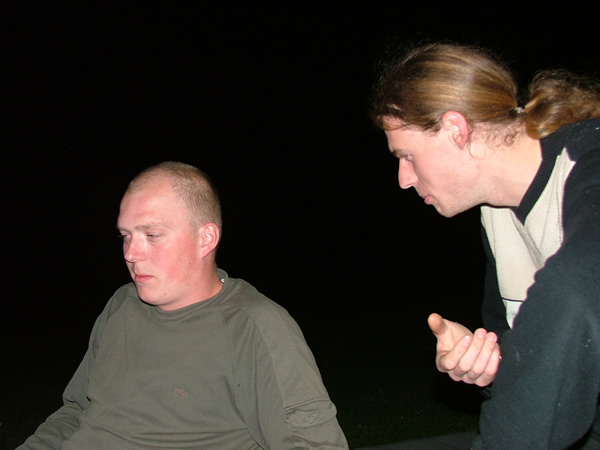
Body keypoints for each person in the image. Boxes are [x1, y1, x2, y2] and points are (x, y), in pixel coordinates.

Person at [18, 161, 348, 449]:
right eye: (125, 236)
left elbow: (315, 444)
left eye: (152, 235)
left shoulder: (252, 326)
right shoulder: (122, 306)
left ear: (206, 238)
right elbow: (76, 411)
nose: (130, 253)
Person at [369, 42, 600, 449]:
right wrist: (491, 365)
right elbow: (536, 372)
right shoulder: (497, 213)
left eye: (407, 156)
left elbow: (576, 288)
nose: (404, 179)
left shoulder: (587, 161)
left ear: (455, 129)